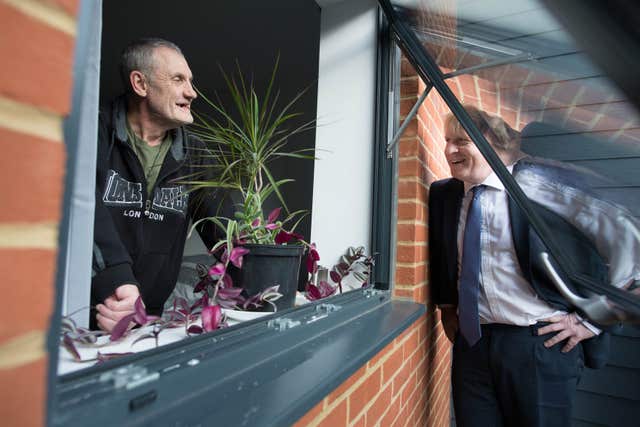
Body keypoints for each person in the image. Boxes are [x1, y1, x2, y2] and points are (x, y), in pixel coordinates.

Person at [428, 105, 640, 426]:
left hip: (540, 346)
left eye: (461, 141)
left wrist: (594, 320)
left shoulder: (544, 187)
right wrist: (446, 306)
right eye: (446, 140)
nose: (448, 150)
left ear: (493, 143)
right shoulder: (444, 194)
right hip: (473, 347)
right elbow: (442, 254)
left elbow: (629, 240)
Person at [91, 38, 219, 332]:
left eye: (190, 81)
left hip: (150, 320)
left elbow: (225, 229)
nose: (192, 92)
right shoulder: (94, 133)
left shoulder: (196, 155)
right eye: (178, 79)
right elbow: (82, 209)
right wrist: (115, 281)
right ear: (140, 83)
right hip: (88, 310)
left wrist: (281, 279)